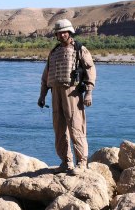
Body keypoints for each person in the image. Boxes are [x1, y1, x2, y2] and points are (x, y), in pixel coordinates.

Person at [37, 19, 96, 174]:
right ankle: (66, 161)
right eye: (59, 32)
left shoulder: (79, 49)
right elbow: (46, 75)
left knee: (76, 127)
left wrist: (89, 92)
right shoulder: (54, 52)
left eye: (65, 32)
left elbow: (90, 70)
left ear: (70, 32)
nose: (62, 34)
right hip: (55, 92)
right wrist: (42, 95)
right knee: (59, 128)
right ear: (56, 34)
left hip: (73, 92)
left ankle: (82, 162)